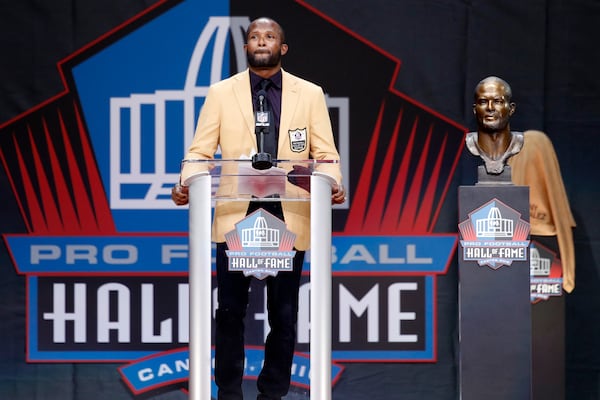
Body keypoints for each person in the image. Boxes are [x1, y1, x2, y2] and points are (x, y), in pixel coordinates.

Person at [171, 17, 345, 400]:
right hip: (236, 213)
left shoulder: (310, 94)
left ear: (282, 48)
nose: (261, 40)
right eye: (254, 36)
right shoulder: (221, 93)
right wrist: (185, 182)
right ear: (246, 47)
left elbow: (327, 157)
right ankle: (229, 393)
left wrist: (332, 182)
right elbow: (200, 152)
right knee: (230, 312)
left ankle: (272, 394)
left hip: (290, 214)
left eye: (269, 36)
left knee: (283, 316)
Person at [465, 76, 524, 175]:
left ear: (511, 109)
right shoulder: (471, 143)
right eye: (483, 102)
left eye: (497, 101)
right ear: (475, 109)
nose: (490, 108)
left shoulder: (518, 143)